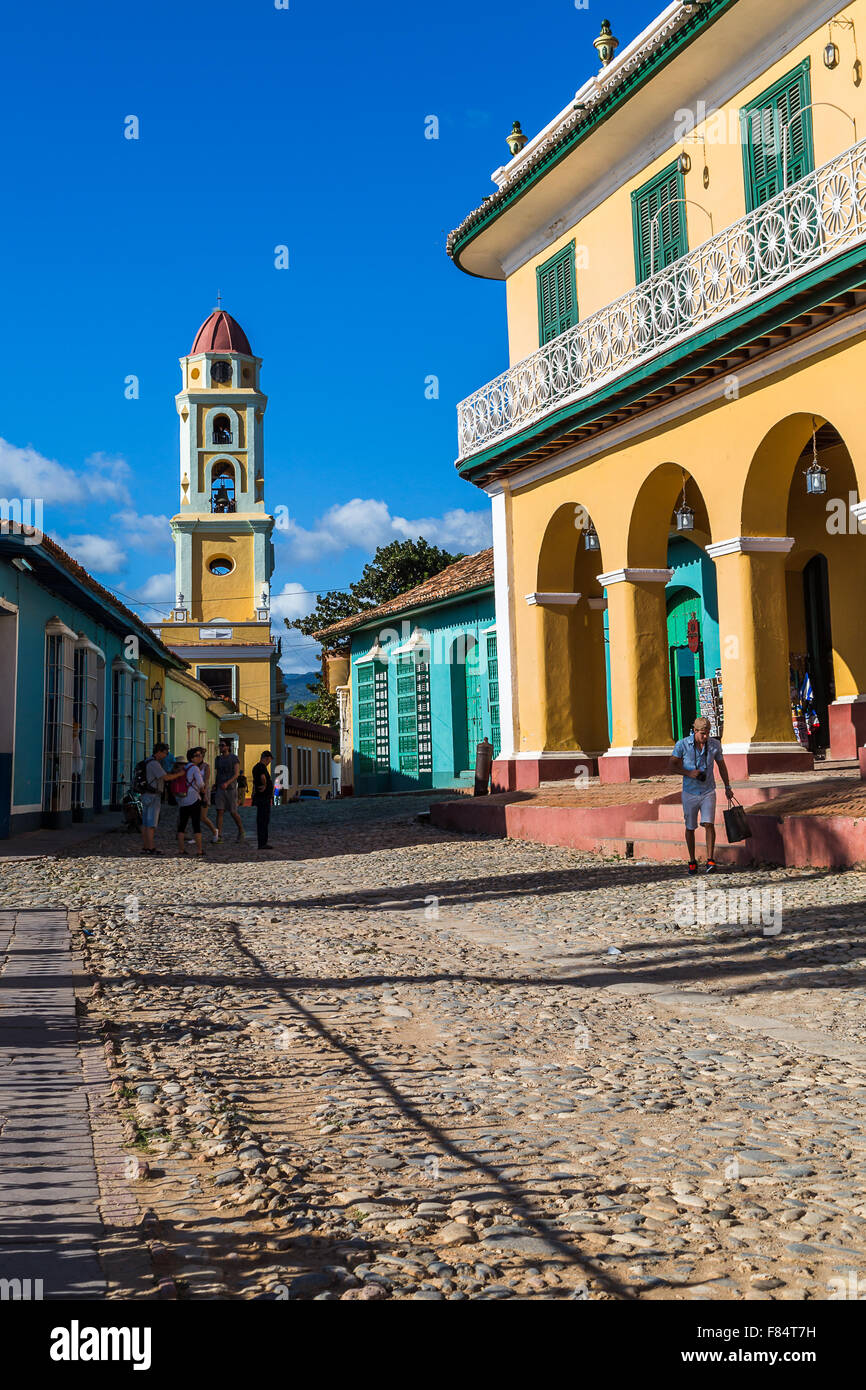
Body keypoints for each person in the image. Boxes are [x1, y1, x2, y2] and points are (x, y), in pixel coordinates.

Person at [670, 716, 734, 875]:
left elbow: (722, 766)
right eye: (703, 734)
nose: (706, 737)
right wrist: (688, 773)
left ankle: (710, 860)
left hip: (708, 791)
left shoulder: (714, 745)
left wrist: (727, 786)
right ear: (695, 731)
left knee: (709, 824)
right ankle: (692, 860)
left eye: (708, 733)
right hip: (689, 791)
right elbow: (671, 765)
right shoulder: (682, 744)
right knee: (690, 827)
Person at [140, 743, 171, 855]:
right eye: (165, 753)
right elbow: (165, 777)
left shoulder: (147, 761)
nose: (166, 755)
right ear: (160, 751)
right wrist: (180, 774)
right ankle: (151, 847)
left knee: (145, 822)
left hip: (145, 795)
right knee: (151, 823)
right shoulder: (154, 764)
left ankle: (145, 846)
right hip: (153, 795)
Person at [176, 747, 206, 857]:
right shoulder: (195, 768)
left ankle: (181, 849)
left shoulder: (184, 767)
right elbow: (200, 783)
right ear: (192, 758)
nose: (200, 757)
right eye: (198, 755)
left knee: (182, 825)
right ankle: (199, 850)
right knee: (196, 824)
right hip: (193, 798)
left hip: (183, 799)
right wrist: (203, 791)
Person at [214, 738, 245, 842]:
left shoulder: (234, 758)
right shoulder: (218, 759)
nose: (221, 747)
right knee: (220, 811)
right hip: (220, 788)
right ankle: (219, 835)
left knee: (233, 812)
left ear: (228, 747)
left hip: (231, 789)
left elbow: (236, 774)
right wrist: (216, 783)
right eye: (220, 745)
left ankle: (241, 830)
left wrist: (227, 783)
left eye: (222, 745)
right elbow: (217, 773)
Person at [251, 750, 274, 850]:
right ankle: (262, 842)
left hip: (261, 797)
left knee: (262, 820)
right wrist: (265, 785)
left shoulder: (257, 767)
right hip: (263, 797)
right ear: (266, 758)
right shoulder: (261, 767)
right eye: (269, 759)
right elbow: (263, 777)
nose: (269, 762)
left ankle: (262, 842)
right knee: (263, 820)